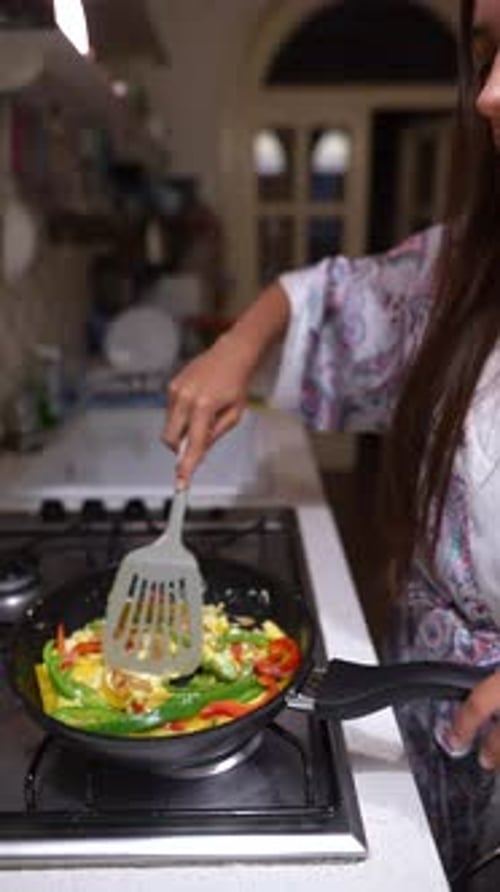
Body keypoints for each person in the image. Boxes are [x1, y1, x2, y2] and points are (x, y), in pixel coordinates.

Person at [164, 0, 500, 885]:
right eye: (487, 52)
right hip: (425, 696)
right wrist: (238, 344)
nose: (489, 97)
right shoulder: (465, 266)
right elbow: (334, 293)